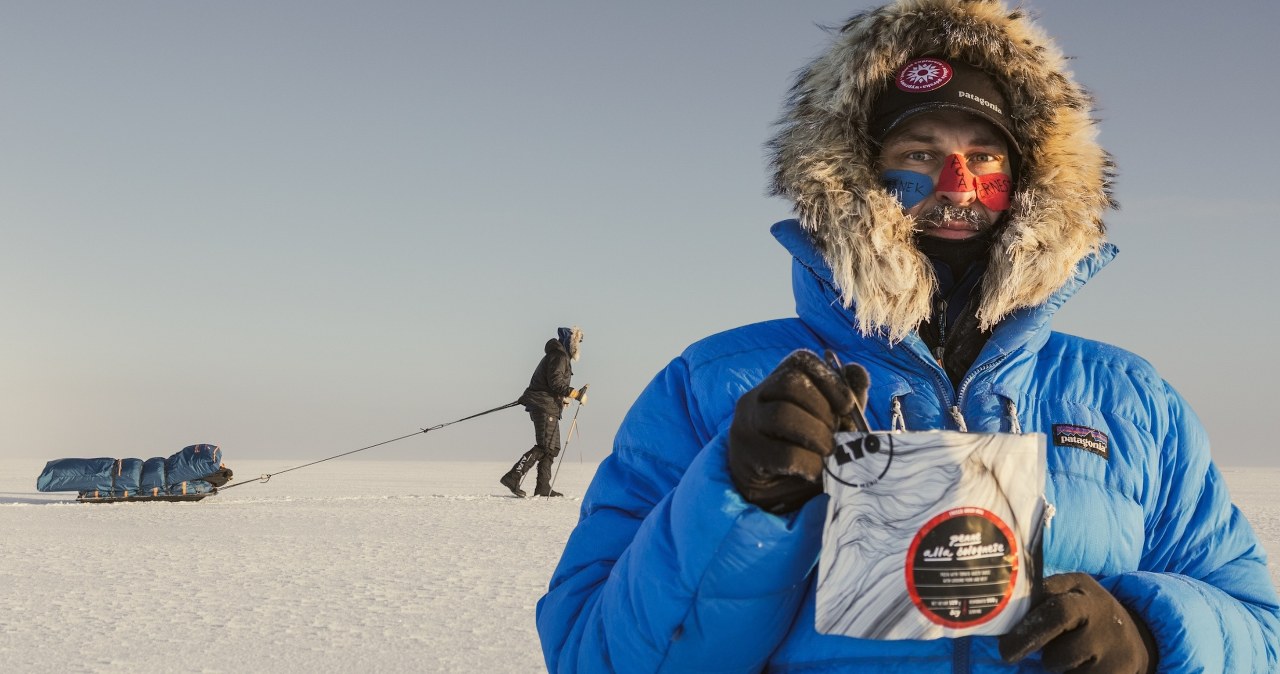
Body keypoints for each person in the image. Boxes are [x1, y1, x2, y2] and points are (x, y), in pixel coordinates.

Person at [536, 1, 1280, 673]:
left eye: (985, 155)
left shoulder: (1131, 400)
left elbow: (1258, 633)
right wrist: (737, 494)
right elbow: (592, 655)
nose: (957, 182)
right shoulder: (715, 383)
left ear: (1031, 180)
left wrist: (1151, 635)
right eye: (919, 154)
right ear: (856, 174)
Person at [501, 326, 586, 498]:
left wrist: (562, 399)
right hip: (543, 405)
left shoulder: (560, 356)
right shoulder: (559, 356)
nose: (579, 347)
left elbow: (552, 384)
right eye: (578, 342)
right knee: (545, 446)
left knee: (553, 447)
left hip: (548, 405)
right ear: (571, 343)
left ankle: (543, 487)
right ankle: (513, 476)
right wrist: (575, 394)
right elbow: (555, 382)